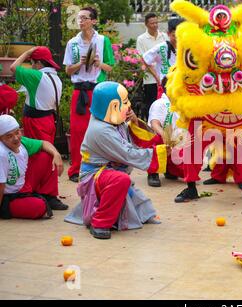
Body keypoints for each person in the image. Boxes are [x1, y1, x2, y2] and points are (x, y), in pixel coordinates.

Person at [64, 81, 167, 240]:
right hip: (96, 177)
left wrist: (133, 121)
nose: (129, 105)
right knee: (121, 180)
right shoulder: (101, 130)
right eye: (125, 102)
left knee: (127, 187)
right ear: (112, 106)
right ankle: (100, 223)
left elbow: (132, 141)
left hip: (108, 173)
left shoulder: (108, 120)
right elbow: (128, 153)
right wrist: (161, 153)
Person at [63, 6, 115, 183]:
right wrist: (80, 63)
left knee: (101, 130)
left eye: (85, 18)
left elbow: (110, 67)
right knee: (78, 131)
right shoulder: (72, 43)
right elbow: (68, 71)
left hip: (98, 90)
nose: (81, 21)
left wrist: (99, 63)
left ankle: (101, 168)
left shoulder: (103, 41)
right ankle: (76, 169)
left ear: (93, 21)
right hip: (80, 90)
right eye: (79, 18)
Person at [0, 115, 67, 218]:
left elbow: (44, 143)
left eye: (17, 132)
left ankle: (48, 196)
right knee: (39, 207)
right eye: (9, 136)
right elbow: (1, 185)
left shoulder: (22, 142)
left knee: (48, 155)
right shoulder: (1, 153)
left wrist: (56, 154)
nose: (16, 138)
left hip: (22, 186)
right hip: (7, 196)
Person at [10, 46, 62, 143]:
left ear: (38, 63)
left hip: (36, 122)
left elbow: (13, 67)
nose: (32, 66)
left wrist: (27, 52)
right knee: (48, 151)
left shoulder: (37, 76)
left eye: (32, 63)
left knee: (38, 154)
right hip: (49, 119)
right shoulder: (56, 77)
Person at [145, 77, 184, 187]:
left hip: (175, 142)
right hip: (162, 141)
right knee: (156, 138)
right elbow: (154, 124)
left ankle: (168, 168)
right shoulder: (159, 103)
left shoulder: (180, 104)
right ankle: (153, 173)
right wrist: (165, 136)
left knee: (186, 171)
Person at [136, 13, 168, 121]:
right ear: (146, 24)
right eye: (152, 23)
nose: (154, 25)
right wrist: (156, 76)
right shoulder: (141, 39)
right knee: (152, 105)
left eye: (156, 23)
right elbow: (144, 60)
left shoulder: (164, 36)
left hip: (165, 78)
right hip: (150, 80)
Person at [142, 18, 183, 91]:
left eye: (179, 35)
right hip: (166, 86)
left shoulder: (186, 48)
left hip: (182, 85)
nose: (177, 38)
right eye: (174, 35)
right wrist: (157, 77)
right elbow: (145, 59)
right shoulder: (162, 47)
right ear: (168, 33)